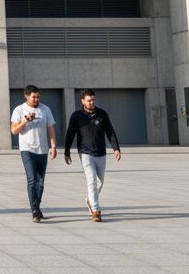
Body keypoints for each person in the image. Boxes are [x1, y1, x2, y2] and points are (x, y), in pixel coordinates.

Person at [63, 89, 121, 221]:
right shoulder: (77, 116)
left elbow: (110, 131)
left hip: (101, 153)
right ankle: (96, 210)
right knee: (92, 181)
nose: (91, 102)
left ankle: (90, 200)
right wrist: (67, 152)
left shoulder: (102, 114)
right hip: (85, 153)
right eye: (89, 100)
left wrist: (116, 148)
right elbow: (70, 134)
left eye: (93, 100)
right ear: (83, 101)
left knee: (100, 182)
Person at [10, 85, 57, 221]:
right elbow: (14, 130)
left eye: (38, 97)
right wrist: (25, 121)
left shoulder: (45, 109)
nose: (36, 99)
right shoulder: (19, 110)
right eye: (33, 97)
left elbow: (51, 128)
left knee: (41, 182)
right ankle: (35, 211)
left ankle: (37, 207)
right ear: (26, 96)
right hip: (27, 149)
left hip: (42, 150)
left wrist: (53, 146)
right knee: (32, 180)